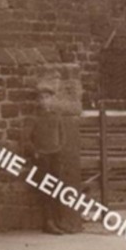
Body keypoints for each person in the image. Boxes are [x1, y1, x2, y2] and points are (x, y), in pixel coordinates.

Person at [29, 85, 82, 234]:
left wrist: (59, 148)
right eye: (41, 98)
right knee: (46, 190)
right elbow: (26, 140)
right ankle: (48, 222)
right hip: (42, 158)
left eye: (47, 98)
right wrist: (36, 152)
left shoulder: (56, 116)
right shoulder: (35, 118)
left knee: (57, 189)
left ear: (52, 99)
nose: (45, 101)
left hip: (55, 157)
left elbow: (62, 136)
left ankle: (60, 222)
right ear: (37, 101)